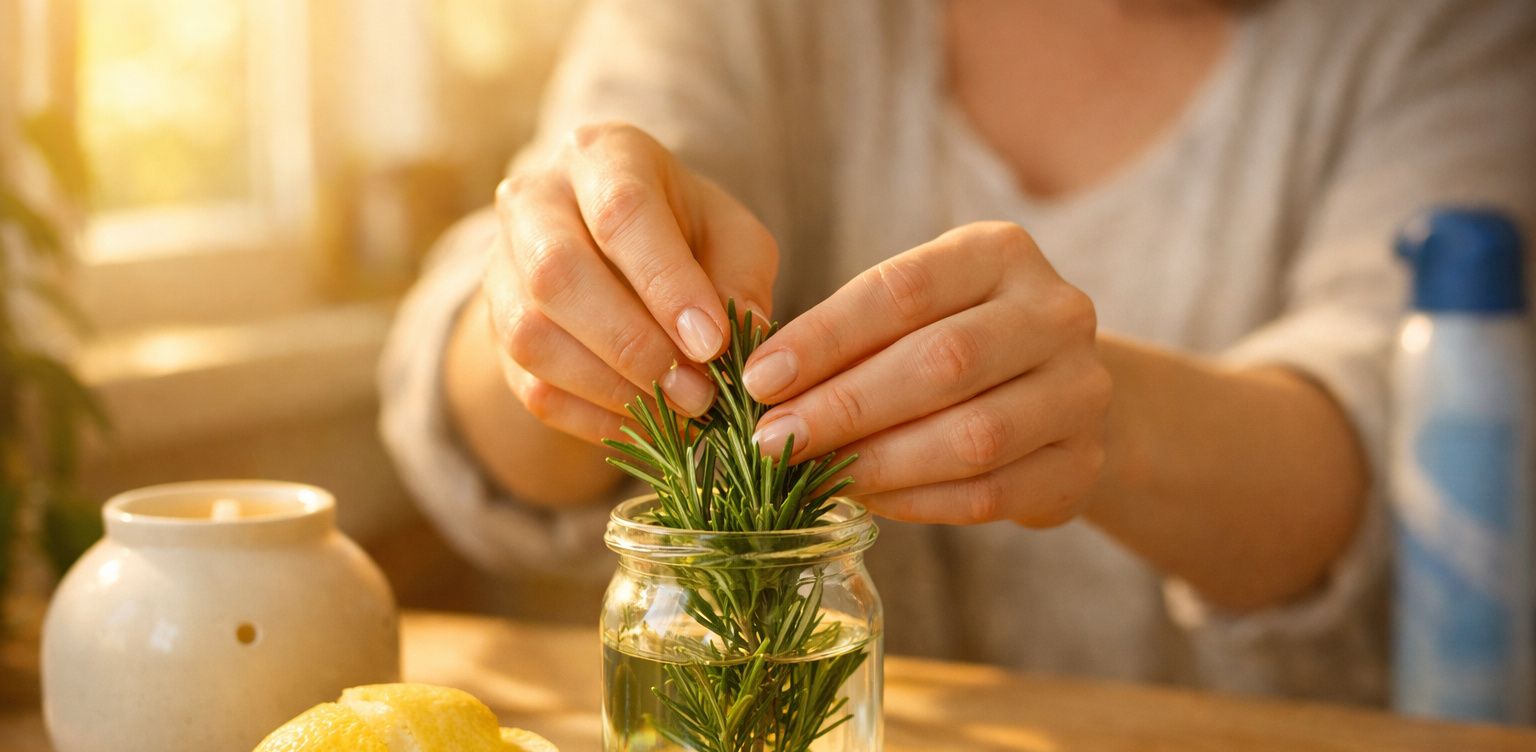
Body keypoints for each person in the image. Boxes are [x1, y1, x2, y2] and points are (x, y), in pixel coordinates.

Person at [381, 0, 1536, 703]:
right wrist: (553, 318)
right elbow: (469, 390)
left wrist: (1107, 421)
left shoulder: (1441, 29)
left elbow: (1427, 450)